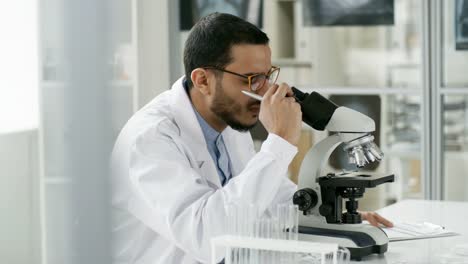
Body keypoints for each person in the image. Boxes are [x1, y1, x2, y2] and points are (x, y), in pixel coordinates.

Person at [110, 12, 393, 264]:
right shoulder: (149, 140)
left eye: (267, 75)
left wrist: (332, 221)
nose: (264, 90)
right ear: (202, 80)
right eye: (250, 79)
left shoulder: (229, 122)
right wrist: (280, 142)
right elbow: (208, 239)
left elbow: (264, 198)